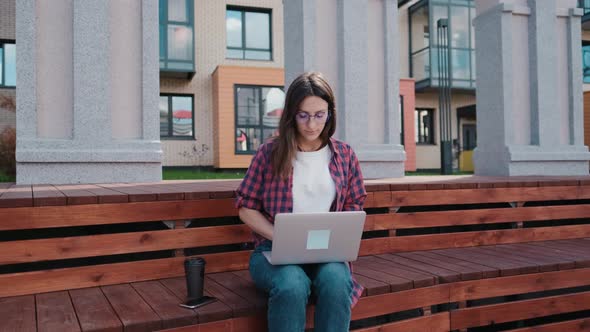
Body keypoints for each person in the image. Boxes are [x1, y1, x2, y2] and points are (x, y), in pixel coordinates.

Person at [235, 72, 367, 332]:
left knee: (338, 281)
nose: (311, 124)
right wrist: (280, 236)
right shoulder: (269, 153)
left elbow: (354, 206)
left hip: (327, 252)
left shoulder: (345, 155)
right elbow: (246, 207)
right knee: (291, 284)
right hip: (272, 252)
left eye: (320, 114)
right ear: (291, 115)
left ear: (330, 113)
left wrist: (340, 237)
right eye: (303, 115)